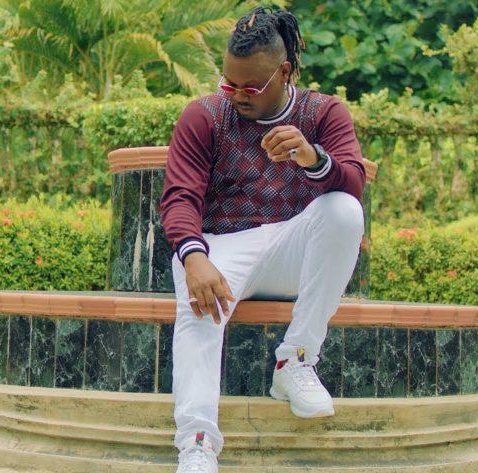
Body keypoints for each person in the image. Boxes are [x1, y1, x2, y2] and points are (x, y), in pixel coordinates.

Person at [159, 6, 366, 473]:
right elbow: (179, 197)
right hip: (222, 246)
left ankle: (296, 361)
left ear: (284, 72)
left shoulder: (323, 112)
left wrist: (313, 157)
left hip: (292, 248)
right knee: (197, 303)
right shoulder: (204, 116)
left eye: (250, 87)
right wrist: (193, 256)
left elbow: (354, 181)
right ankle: (196, 445)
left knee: (344, 210)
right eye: (228, 84)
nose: (236, 96)